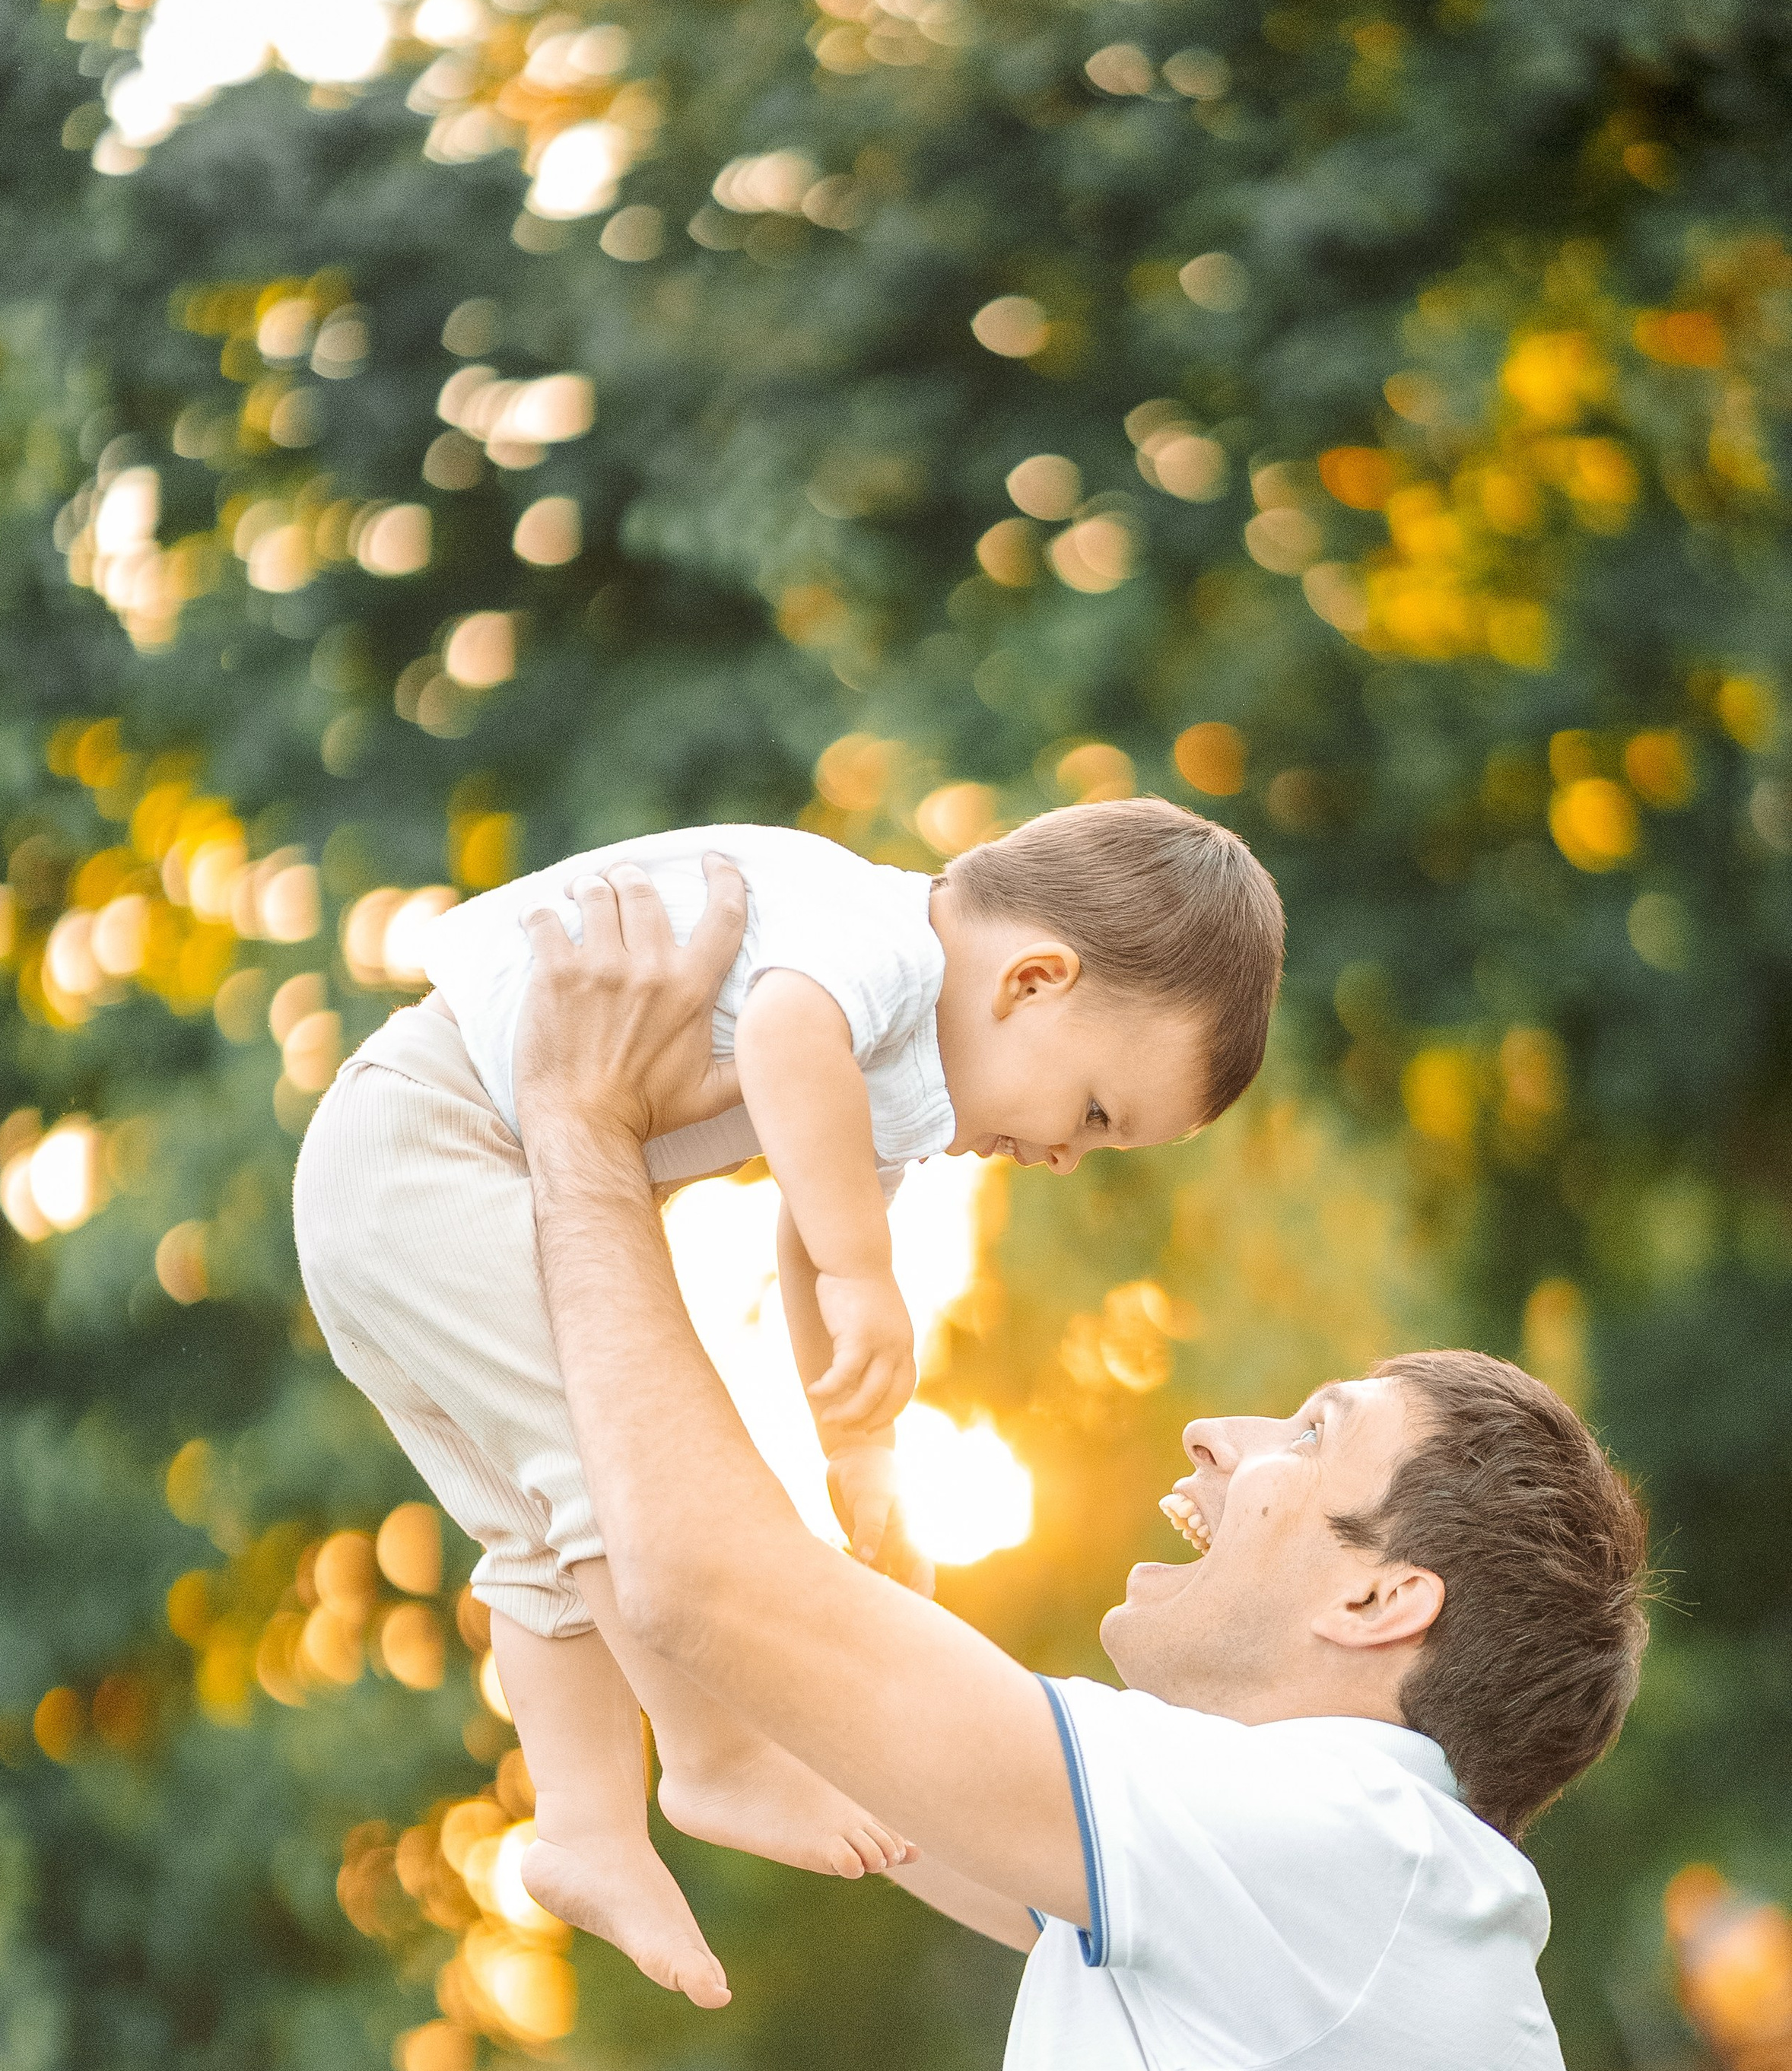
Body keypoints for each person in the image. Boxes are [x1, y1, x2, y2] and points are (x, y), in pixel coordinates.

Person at [505, 857, 1733, 2071]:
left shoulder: (1345, 1851)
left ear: (1376, 1607)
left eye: (1306, 1434)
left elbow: (718, 1596)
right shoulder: (1217, 1901)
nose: (1213, 1441)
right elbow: (812, 1692)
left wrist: (574, 1142)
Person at [294, 802, 1283, 2010]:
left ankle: (584, 1828)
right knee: (606, 1476)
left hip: (411, 1174)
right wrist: (871, 1272)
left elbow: (810, 1229)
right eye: (1090, 1113)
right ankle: (717, 1755)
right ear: (1033, 980)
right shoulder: (883, 945)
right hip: (436, 1143)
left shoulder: (895, 1059)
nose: (1066, 1157)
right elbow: (782, 1039)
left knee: (543, 1531)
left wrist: (858, 1441)